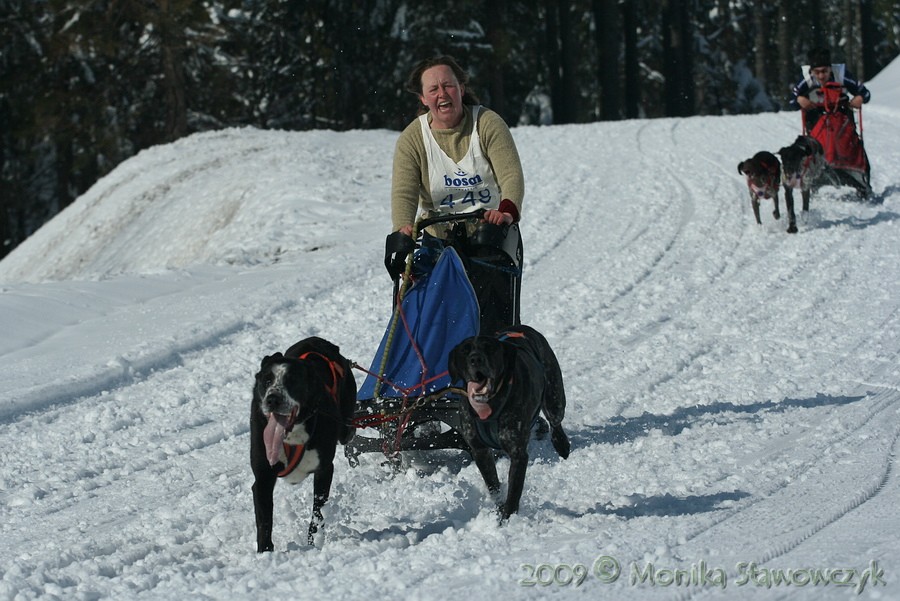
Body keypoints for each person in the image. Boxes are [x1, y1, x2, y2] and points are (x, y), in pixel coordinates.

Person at [389, 55, 526, 335]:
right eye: (434, 89)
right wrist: (403, 228)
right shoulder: (413, 139)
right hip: (439, 240)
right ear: (423, 98)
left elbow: (511, 175)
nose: (442, 94)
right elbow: (404, 191)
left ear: (461, 88)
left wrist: (507, 210)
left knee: (490, 322)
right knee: (428, 322)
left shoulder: (486, 123)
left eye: (448, 86)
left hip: (490, 236)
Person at [789, 47, 871, 131]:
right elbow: (791, 101)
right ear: (811, 71)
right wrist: (799, 99)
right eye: (817, 72)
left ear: (830, 69)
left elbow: (866, 93)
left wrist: (860, 97)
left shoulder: (841, 74)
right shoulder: (806, 79)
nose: (821, 76)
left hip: (841, 118)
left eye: (824, 71)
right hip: (816, 121)